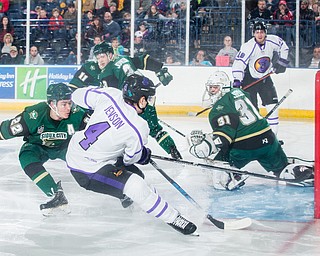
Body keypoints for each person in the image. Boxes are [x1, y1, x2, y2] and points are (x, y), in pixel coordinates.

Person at [66, 74, 197, 235]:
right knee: (136, 184)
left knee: (138, 175)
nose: (148, 102)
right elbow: (130, 159)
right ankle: (172, 217)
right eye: (147, 98)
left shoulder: (110, 94)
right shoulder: (138, 126)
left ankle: (134, 200)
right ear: (141, 100)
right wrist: (142, 155)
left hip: (76, 150)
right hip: (87, 170)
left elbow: (77, 95)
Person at [188, 71, 314, 191]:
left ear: (224, 87)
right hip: (269, 140)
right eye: (210, 88)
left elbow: (225, 133)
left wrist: (206, 146)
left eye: (215, 87)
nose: (211, 91)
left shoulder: (219, 108)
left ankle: (231, 177)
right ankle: (301, 172)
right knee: (282, 168)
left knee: (216, 166)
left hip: (244, 147)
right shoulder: (239, 92)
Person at [68, 42, 182, 159]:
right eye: (97, 58)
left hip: (134, 103)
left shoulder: (107, 72)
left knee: (124, 129)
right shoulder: (124, 59)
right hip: (147, 97)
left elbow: (112, 97)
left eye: (102, 56)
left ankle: (127, 152)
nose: (100, 61)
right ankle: (173, 150)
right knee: (155, 129)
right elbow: (144, 60)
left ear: (110, 55)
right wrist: (159, 69)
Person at [0, 83, 90, 215]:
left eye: (69, 103)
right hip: (38, 147)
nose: (68, 108)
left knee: (90, 169)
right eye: (64, 104)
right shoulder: (33, 116)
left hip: (66, 148)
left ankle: (121, 187)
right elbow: (4, 131)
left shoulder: (78, 114)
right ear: (52, 104)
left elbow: (100, 131)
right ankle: (55, 195)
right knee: (26, 156)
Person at [232, 20, 289, 135]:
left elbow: (284, 47)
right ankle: (254, 137)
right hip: (250, 79)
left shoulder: (272, 40)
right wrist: (237, 79)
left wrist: (282, 62)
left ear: (265, 32)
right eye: (257, 32)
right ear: (253, 33)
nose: (260, 34)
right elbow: (239, 63)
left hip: (265, 79)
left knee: (273, 108)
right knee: (252, 112)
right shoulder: (248, 46)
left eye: (262, 32)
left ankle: (273, 137)